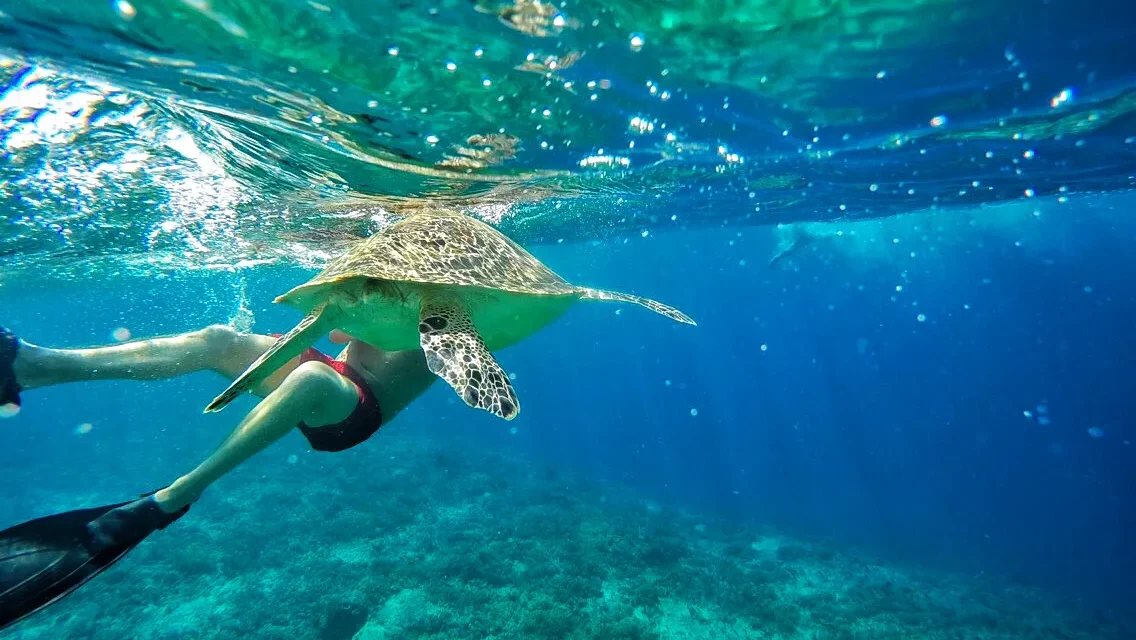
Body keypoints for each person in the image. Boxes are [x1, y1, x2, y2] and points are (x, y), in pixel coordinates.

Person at [0, 323, 437, 630]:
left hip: (358, 407)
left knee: (311, 376)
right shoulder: (394, 267)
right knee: (218, 340)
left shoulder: (465, 304)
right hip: (334, 370)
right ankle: (30, 366)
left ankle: (173, 497)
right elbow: (341, 335)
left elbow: (437, 352)